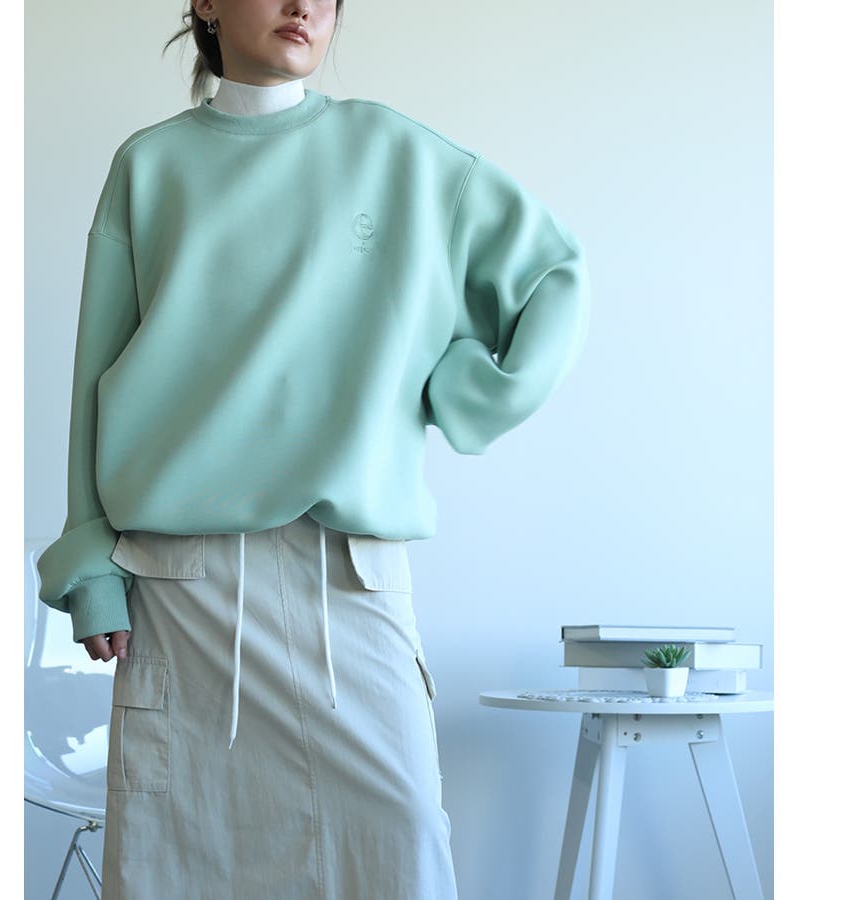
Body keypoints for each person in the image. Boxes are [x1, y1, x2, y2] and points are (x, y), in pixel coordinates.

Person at [36, 1, 591, 897]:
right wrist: (88, 563)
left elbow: (552, 276)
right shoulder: (150, 166)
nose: (305, 7)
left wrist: (464, 389)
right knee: (183, 868)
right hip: (183, 594)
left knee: (401, 849)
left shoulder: (399, 155)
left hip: (350, 586)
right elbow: (94, 376)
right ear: (206, 4)